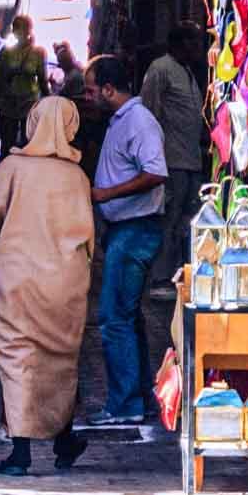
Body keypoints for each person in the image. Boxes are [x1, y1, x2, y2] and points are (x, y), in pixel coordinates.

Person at [0, 97, 95, 476]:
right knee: (61, 361)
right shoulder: (77, 177)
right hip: (65, 282)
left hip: (16, 280)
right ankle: (63, 440)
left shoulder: (13, 168)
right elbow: (90, 240)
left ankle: (20, 452)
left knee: (18, 360)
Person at [83, 54, 168, 427]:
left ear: (108, 88)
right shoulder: (121, 121)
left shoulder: (138, 121)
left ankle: (125, 404)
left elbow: (155, 172)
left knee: (114, 316)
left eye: (90, 90)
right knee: (127, 316)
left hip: (136, 228)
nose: (87, 97)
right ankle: (141, 399)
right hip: (125, 228)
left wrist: (107, 194)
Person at [140, 24, 206, 293]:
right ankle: (159, 278)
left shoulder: (187, 72)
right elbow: (148, 114)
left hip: (191, 160)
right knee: (168, 219)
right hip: (171, 162)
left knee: (184, 221)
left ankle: (175, 275)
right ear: (181, 44)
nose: (199, 49)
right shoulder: (161, 69)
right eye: (195, 43)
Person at [0, 14, 47, 156]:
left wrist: (49, 105)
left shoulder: (38, 53)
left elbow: (43, 81)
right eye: (16, 29)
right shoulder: (6, 52)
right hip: (7, 105)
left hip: (29, 106)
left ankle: (25, 177)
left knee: (28, 147)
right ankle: (6, 175)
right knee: (7, 147)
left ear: (29, 30)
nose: (19, 32)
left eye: (22, 28)